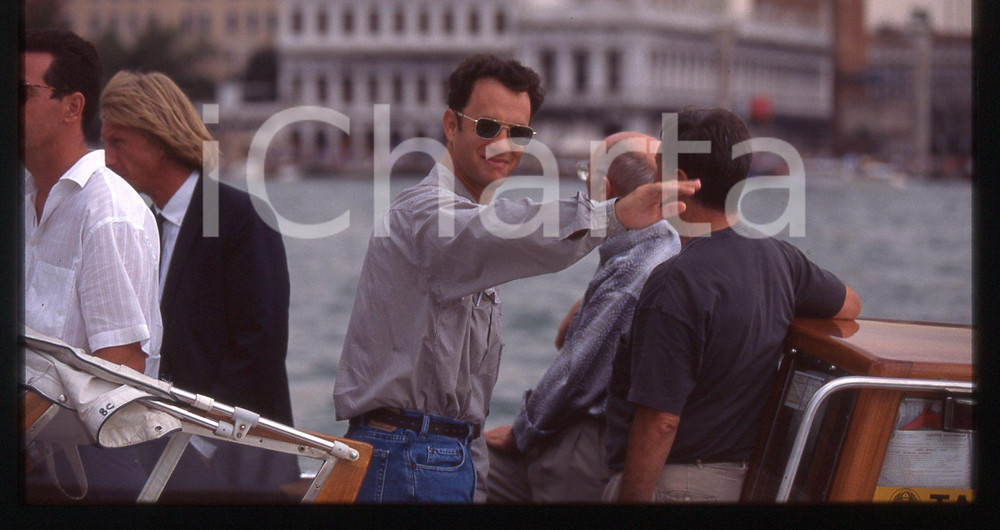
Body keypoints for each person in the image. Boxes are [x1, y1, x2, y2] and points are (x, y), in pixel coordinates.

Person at [333, 53, 700, 503]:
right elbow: (504, 231)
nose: (503, 145)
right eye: (488, 127)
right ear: (451, 124)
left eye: (519, 133)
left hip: (441, 451)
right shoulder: (424, 215)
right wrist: (615, 214)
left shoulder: (463, 222)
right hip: (410, 454)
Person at [602, 108, 862, 503]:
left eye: (658, 173)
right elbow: (850, 303)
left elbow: (660, 422)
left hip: (680, 486)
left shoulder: (675, 281)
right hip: (753, 482)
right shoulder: (780, 259)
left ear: (681, 184)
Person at [99, 70, 299, 502]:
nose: (107, 158)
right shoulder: (144, 225)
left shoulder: (241, 217)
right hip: (156, 451)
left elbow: (259, 346)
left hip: (225, 462)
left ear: (158, 138)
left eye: (118, 142)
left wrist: (200, 441)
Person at [484, 132, 682, 503]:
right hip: (595, 440)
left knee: (465, 468)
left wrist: (521, 431)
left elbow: (575, 373)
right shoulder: (660, 246)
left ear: (604, 189)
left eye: (584, 179)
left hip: (583, 450)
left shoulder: (634, 270)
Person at [20, 28, 162, 502]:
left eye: (23, 93)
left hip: (90, 470)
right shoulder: (23, 200)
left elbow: (121, 373)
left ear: (72, 107)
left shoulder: (108, 213)